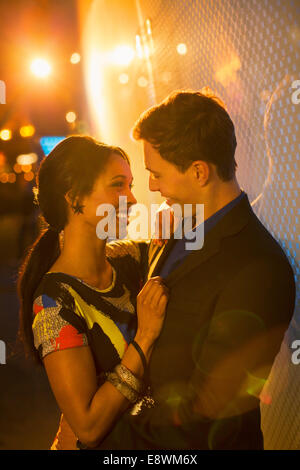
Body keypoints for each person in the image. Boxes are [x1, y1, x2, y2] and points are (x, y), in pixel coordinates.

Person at [93, 89, 296, 450]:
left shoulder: (259, 268)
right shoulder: (184, 226)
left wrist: (104, 434)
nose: (152, 186)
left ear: (199, 171)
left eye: (157, 174)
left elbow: (208, 412)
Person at [17, 135, 169, 450]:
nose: (132, 199)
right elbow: (87, 426)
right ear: (75, 199)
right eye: (117, 185)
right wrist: (144, 339)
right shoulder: (52, 303)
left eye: (131, 186)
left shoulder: (129, 260)